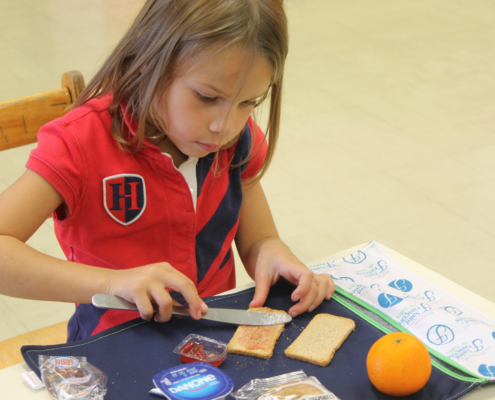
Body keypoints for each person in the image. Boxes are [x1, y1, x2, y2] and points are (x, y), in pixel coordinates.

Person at [0, 0, 334, 342]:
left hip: (213, 338)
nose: (226, 126)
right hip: (114, 344)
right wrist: (113, 283)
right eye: (206, 97)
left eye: (249, 102)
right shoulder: (80, 142)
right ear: (149, 60)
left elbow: (259, 239)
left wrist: (274, 255)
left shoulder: (237, 141)